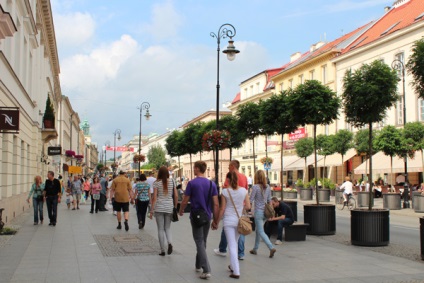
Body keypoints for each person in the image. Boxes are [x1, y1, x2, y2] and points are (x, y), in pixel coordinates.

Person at [179, 161, 219, 280]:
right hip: (207, 215)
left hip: (196, 215)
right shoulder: (212, 184)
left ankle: (206, 269)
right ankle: (198, 264)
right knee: (203, 241)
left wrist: (181, 210)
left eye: (194, 168)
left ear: (197, 169)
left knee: (199, 241)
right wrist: (216, 220)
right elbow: (216, 204)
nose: (193, 170)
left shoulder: (192, 183)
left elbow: (185, 200)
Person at [212, 171, 251, 279]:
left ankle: (236, 271)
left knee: (232, 246)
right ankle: (233, 266)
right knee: (235, 242)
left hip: (229, 221)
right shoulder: (244, 191)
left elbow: (222, 209)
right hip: (239, 221)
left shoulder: (225, 192)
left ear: (228, 179)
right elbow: (248, 206)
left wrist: (216, 222)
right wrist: (240, 208)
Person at [214, 160, 248, 260]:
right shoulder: (244, 177)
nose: (228, 168)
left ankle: (223, 249)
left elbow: (225, 188)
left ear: (233, 166)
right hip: (241, 206)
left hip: (230, 207)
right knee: (240, 228)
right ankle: (240, 253)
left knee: (227, 228)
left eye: (229, 166)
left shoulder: (230, 176)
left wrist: (216, 220)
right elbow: (245, 190)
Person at [151, 166, 178, 256]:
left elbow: (154, 197)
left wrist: (151, 210)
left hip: (159, 207)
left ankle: (162, 250)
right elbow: (176, 196)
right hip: (169, 207)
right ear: (167, 173)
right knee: (167, 228)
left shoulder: (156, 183)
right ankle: (170, 243)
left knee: (160, 229)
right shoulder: (172, 181)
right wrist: (175, 206)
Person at [249, 170, 276, 258]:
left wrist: (247, 209)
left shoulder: (255, 187)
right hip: (266, 212)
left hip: (258, 212)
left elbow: (251, 200)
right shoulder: (268, 187)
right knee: (258, 230)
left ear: (256, 177)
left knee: (260, 231)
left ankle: (271, 247)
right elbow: (269, 200)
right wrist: (272, 213)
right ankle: (255, 249)